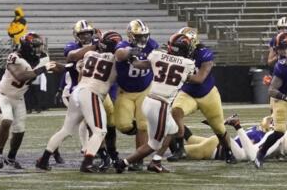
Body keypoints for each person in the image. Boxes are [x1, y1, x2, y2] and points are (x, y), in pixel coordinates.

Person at [37, 30, 123, 172]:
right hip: (92, 93)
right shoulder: (116, 60)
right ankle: (87, 162)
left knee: (66, 130)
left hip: (78, 91)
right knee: (100, 131)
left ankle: (44, 159)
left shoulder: (89, 54)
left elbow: (77, 71)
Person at [121, 32, 199, 173]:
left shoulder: (156, 55)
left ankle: (156, 162)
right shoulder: (188, 64)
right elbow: (189, 78)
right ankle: (124, 163)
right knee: (153, 144)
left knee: (173, 129)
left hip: (149, 100)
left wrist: (132, 58)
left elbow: (139, 64)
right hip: (161, 104)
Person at [170, 27, 233, 161]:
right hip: (188, 93)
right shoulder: (178, 54)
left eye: (183, 46)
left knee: (219, 129)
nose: (180, 51)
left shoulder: (204, 54)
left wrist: (180, 74)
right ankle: (180, 149)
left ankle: (228, 151)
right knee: (176, 111)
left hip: (208, 94)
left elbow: (199, 79)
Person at [0, 32, 48, 169]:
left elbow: (53, 67)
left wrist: (67, 67)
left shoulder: (43, 58)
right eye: (36, 47)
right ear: (27, 47)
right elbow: (19, 76)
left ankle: (11, 157)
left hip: (18, 98)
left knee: (20, 130)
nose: (39, 50)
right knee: (6, 120)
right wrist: (39, 70)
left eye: (40, 46)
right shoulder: (14, 57)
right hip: (3, 95)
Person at [113, 19, 158, 150]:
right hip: (125, 91)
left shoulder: (152, 45)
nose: (143, 39)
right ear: (131, 36)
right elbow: (119, 54)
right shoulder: (123, 44)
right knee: (123, 126)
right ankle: (137, 130)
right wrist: (131, 51)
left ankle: (138, 158)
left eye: (145, 36)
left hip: (144, 89)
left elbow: (155, 61)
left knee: (143, 125)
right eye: (139, 36)